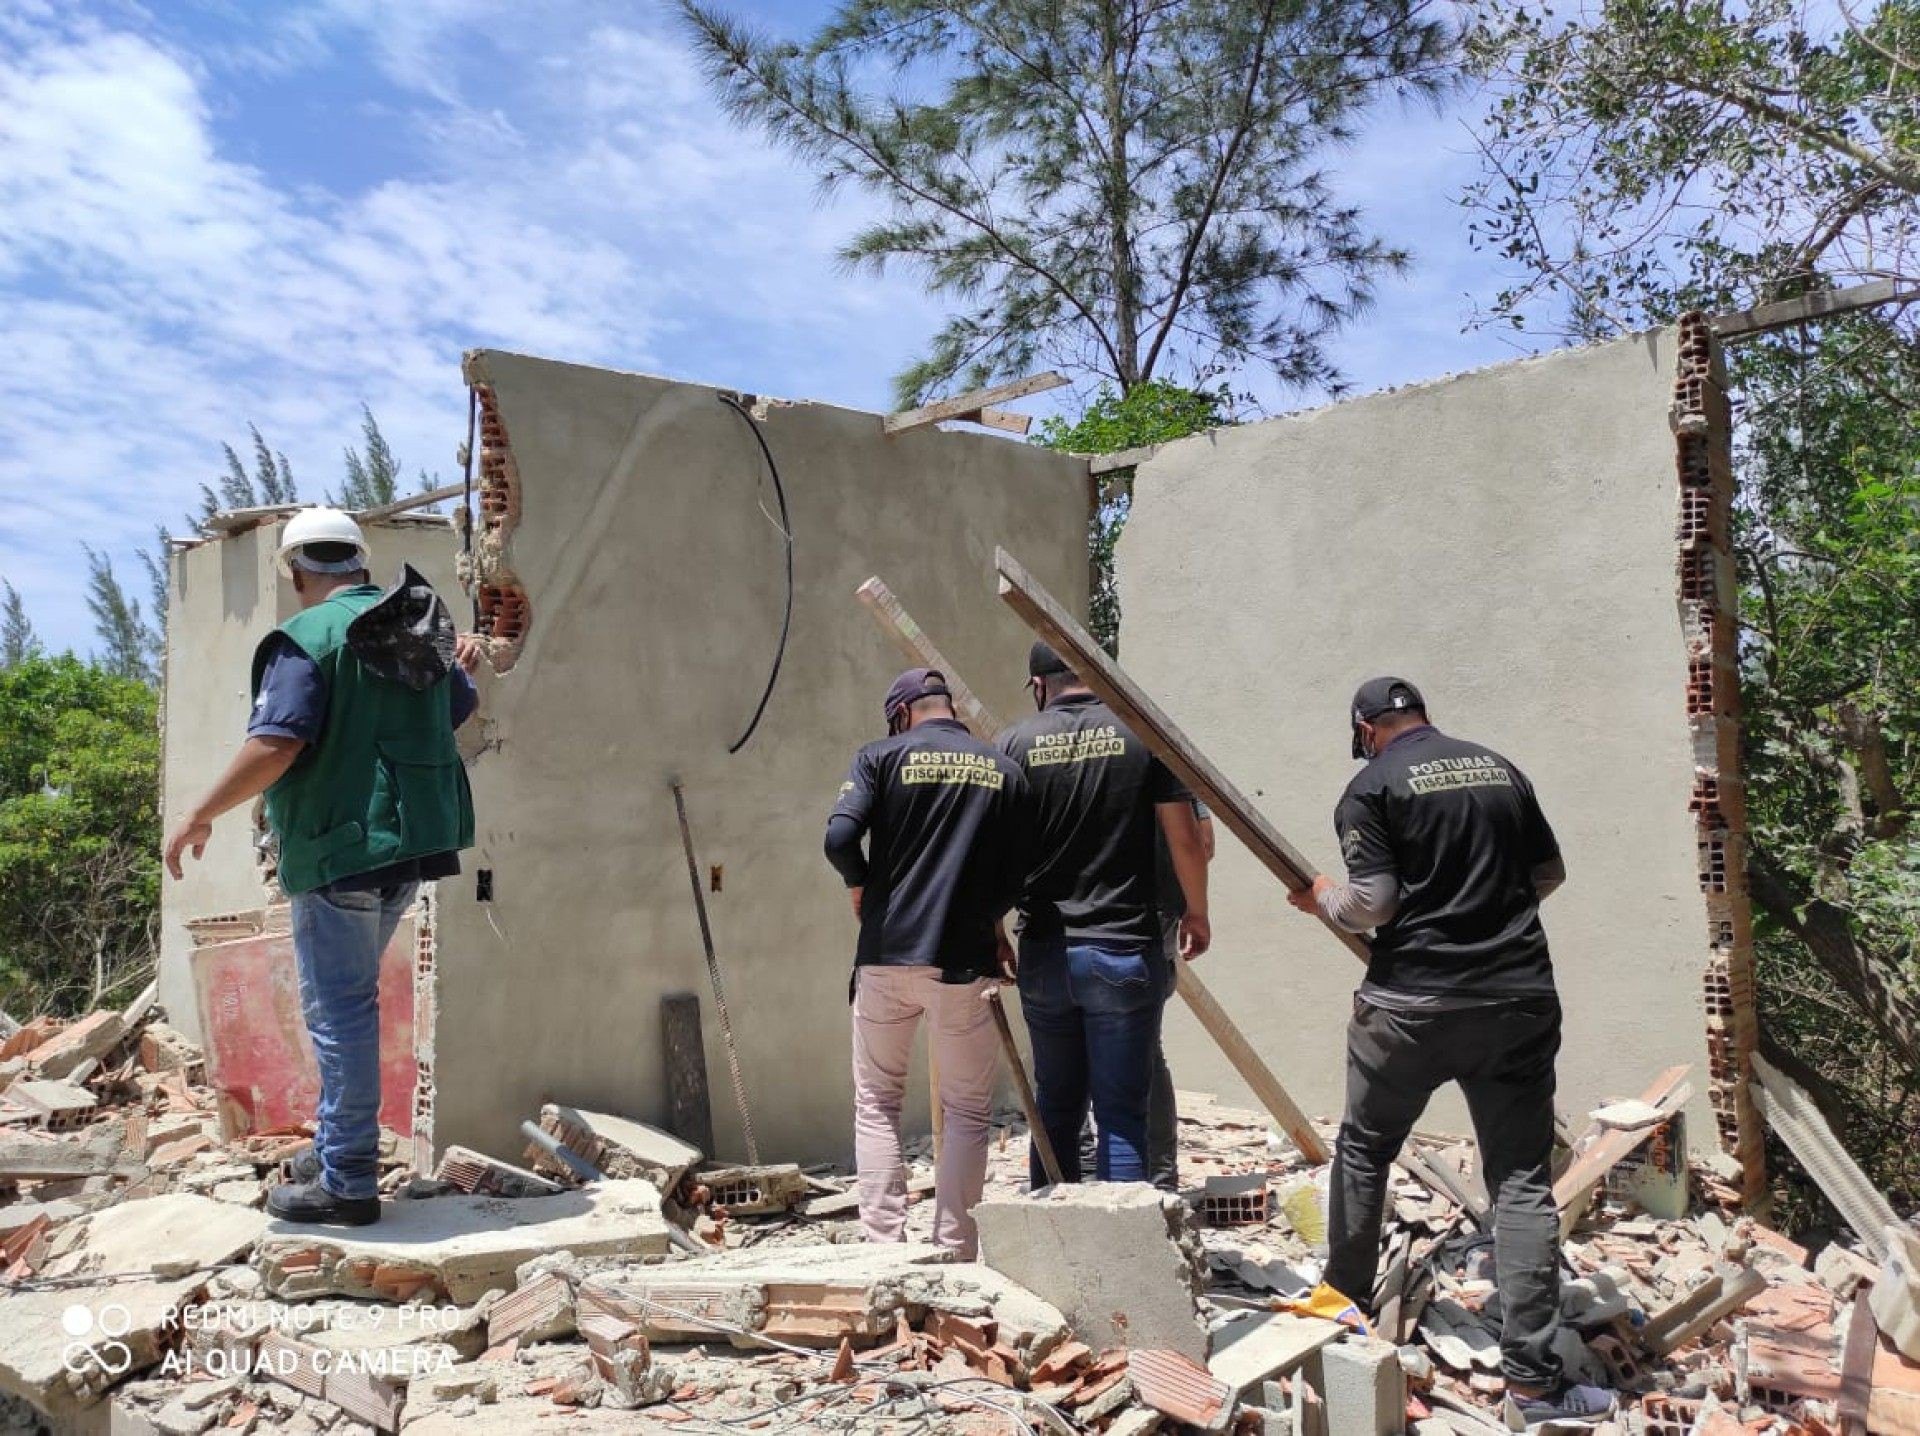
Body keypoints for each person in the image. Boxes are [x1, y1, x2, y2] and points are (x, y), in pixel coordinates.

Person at [1286, 677, 1616, 1427]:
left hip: (1409, 1007)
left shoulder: (1369, 788)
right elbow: (1548, 874)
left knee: (1366, 1149)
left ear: (1366, 728)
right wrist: (1490, 920)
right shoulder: (1501, 769)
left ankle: (1344, 1311)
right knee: (1522, 1183)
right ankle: (1533, 1388)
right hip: (1517, 1001)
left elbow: (1371, 904)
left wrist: (1320, 898)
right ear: (1421, 717)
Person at [164, 508, 478, 1228]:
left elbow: (276, 744)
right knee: (352, 1007)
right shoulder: (418, 624)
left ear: (297, 570)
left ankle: (347, 1182)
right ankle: (339, 1149)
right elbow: (457, 707)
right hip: (412, 845)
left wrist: (200, 812)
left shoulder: (305, 638)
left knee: (341, 1016)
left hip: (339, 851)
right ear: (362, 565)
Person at [824, 667, 1029, 1258]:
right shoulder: (1004, 771)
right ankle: (956, 1248)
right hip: (965, 962)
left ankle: (886, 1247)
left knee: (878, 1102)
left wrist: (859, 885)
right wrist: (988, 920)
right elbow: (1019, 871)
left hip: (886, 955)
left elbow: (839, 839)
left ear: (901, 715)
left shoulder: (879, 758)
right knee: (967, 1110)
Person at [998, 642, 1209, 1186]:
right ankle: (1126, 1257)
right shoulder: (1142, 736)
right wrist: (1196, 912)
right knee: (1120, 1116)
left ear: (1040, 686)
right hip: (1123, 948)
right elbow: (1185, 836)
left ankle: (1052, 1255)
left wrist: (991, 932)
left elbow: (986, 852)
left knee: (1056, 1112)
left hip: (1045, 952)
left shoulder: (1013, 745)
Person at [1079, 796, 1215, 1192]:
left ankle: (1095, 1174)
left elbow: (1199, 841)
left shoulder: (1062, 744)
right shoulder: (1156, 757)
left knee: (1078, 1051)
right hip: (1146, 920)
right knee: (1142, 1051)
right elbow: (1201, 843)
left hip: (1090, 919)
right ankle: (1154, 1176)